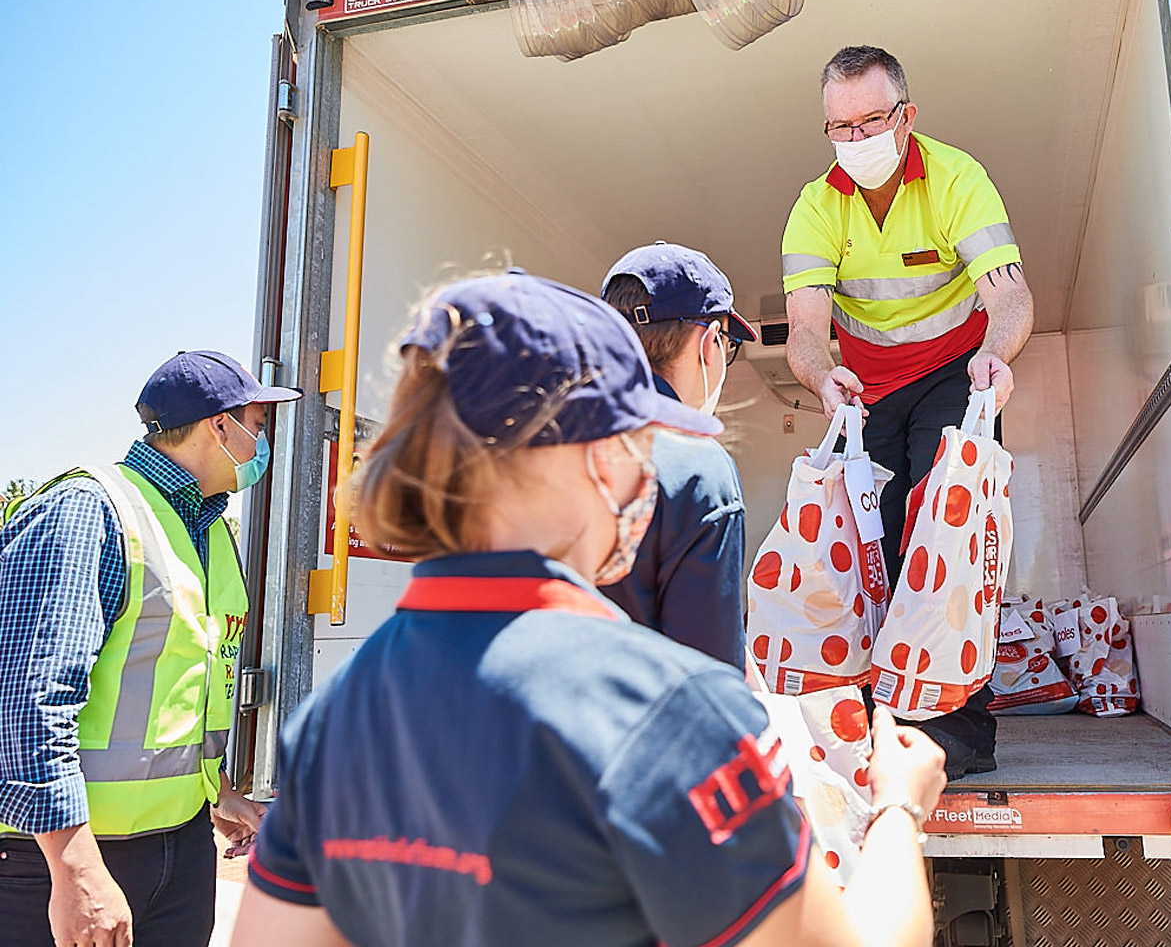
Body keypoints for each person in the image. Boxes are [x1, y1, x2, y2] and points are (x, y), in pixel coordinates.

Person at [230, 270, 947, 947]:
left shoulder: (334, 718)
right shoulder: (668, 709)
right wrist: (897, 806)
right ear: (601, 458)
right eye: (639, 441)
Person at [781, 45, 1035, 778]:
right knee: (873, 545)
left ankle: (957, 732)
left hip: (959, 372)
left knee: (947, 531)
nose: (856, 140)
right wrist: (822, 377)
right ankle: (878, 716)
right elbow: (805, 328)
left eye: (870, 120)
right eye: (840, 127)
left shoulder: (958, 178)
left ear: (906, 115)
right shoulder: (815, 206)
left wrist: (997, 357)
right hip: (868, 389)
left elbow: (1009, 295)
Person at [0, 350, 302, 947]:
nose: (262, 449)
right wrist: (75, 869)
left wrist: (215, 795)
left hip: (179, 847)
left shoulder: (209, 529)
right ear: (221, 425)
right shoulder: (90, 511)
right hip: (66, 857)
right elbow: (25, 703)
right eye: (259, 428)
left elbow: (180, 689)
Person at [598, 241, 754, 668]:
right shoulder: (698, 465)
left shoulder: (545, 439)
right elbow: (708, 675)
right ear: (710, 342)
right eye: (728, 343)